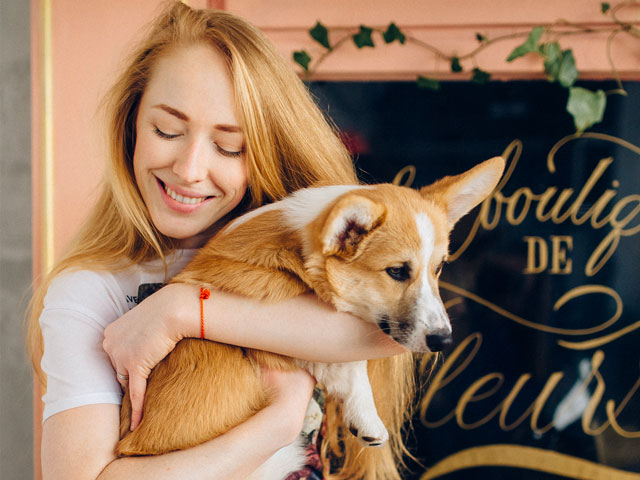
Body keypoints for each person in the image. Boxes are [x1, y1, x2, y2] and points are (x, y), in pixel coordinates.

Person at [27, 3, 413, 479]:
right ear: (130, 125)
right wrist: (275, 426)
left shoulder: (310, 253)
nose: (189, 170)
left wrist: (181, 312)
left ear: (268, 150)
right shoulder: (94, 289)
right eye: (167, 130)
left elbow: (395, 332)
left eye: (230, 146)